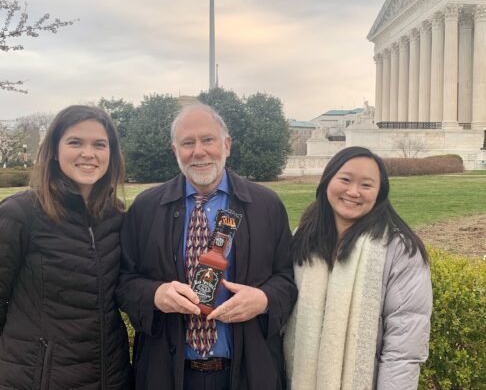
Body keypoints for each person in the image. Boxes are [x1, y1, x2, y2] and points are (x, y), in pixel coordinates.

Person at [116, 103, 297, 390]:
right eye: (188, 143)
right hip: (167, 372)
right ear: (175, 151)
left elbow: (288, 279)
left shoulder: (266, 206)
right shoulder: (146, 209)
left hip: (248, 372)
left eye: (208, 140)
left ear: (226, 145)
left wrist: (264, 300)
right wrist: (154, 294)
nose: (198, 151)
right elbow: (123, 282)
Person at [0, 105, 132, 389]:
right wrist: (28, 356)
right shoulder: (21, 212)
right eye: (75, 142)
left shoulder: (116, 216)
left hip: (110, 375)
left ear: (111, 154)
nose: (88, 153)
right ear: (55, 150)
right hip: (37, 379)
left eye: (99, 145)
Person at [284, 146, 432, 390]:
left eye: (366, 185)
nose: (353, 192)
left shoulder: (401, 250)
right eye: (345, 180)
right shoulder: (302, 237)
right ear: (327, 181)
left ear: (379, 193)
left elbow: (404, 348)